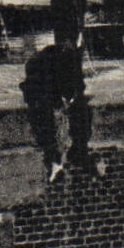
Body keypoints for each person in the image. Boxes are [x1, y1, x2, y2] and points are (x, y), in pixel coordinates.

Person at [20, 15, 103, 182]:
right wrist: (60, 100)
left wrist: (73, 99)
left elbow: (78, 86)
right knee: (44, 116)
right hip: (40, 92)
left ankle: (78, 152)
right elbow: (39, 85)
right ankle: (53, 160)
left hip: (55, 90)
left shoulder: (71, 57)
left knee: (81, 110)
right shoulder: (42, 60)